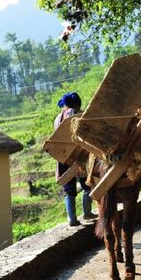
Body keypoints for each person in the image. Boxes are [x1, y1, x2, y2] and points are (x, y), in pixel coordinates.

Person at [54, 91, 97, 226]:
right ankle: (87, 213)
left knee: (69, 190)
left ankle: (72, 219)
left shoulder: (58, 118)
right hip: (80, 155)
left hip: (63, 156)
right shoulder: (77, 115)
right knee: (87, 185)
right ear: (76, 105)